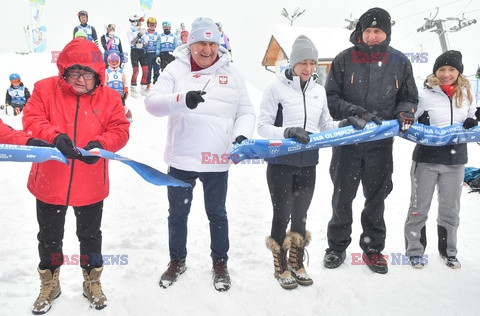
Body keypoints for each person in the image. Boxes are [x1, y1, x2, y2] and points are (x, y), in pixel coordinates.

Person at [144, 17, 255, 292]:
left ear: (219, 45)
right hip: (182, 158)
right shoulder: (174, 69)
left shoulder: (233, 73)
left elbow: (246, 111)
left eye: (212, 43)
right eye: (201, 43)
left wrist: (240, 135)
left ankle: (220, 263)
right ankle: (177, 261)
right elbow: (152, 104)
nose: (207, 49)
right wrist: (181, 100)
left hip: (217, 159)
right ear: (190, 43)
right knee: (177, 215)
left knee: (217, 214)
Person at [22, 38, 130, 313]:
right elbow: (32, 119)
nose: (80, 78)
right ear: (64, 71)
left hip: (90, 182)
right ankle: (50, 283)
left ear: (98, 75)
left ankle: (91, 281)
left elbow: (120, 130)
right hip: (50, 180)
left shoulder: (110, 98)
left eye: (87, 73)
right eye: (74, 71)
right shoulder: (45, 89)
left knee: (90, 236)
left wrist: (102, 144)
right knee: (48, 236)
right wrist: (54, 136)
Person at [258, 35, 364, 289]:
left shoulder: (319, 91)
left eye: (312, 63)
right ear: (293, 63)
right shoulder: (276, 89)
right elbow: (262, 127)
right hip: (281, 162)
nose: (308, 68)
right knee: (282, 213)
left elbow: (325, 125)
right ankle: (280, 263)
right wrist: (287, 131)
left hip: (308, 163)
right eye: (303, 62)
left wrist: (344, 124)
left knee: (301, 216)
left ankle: (296, 261)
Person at [323, 7, 418, 274]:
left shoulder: (399, 62)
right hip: (348, 143)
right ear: (360, 33)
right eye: (368, 30)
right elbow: (331, 99)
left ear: (386, 33)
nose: (373, 36)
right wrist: (353, 111)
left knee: (377, 198)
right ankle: (337, 247)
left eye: (378, 31)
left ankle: (373, 249)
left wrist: (404, 111)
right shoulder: (344, 59)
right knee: (342, 197)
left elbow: (409, 97)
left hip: (380, 145)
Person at [404, 50, 477, 269]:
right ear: (435, 71)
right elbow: (408, 118)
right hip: (426, 160)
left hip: (456, 162)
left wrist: (473, 121)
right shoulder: (425, 94)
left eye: (452, 69)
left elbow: (472, 115)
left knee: (450, 210)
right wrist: (417, 123)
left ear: (459, 72)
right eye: (442, 69)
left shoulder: (466, 94)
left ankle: (449, 252)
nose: (446, 74)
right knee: (419, 208)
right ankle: (415, 251)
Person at [105, 52, 133, 122]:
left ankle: (127, 117)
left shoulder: (121, 71)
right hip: (110, 95)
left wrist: (126, 90)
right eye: (112, 61)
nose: (114, 63)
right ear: (109, 61)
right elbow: (104, 82)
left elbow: (124, 82)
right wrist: (105, 92)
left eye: (116, 61)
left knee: (122, 107)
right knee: (110, 107)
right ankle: (110, 119)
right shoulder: (106, 71)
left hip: (120, 95)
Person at [126, 14, 148, 97]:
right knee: (136, 70)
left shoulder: (142, 30)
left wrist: (143, 44)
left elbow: (146, 42)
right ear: (135, 22)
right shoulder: (130, 30)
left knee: (145, 69)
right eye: (139, 22)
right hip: (134, 51)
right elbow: (131, 42)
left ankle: (143, 87)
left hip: (142, 51)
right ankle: (133, 88)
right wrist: (139, 35)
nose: (140, 23)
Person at [144, 17, 161, 86]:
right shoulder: (145, 33)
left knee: (156, 69)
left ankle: (156, 83)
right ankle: (148, 84)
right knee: (148, 69)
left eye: (153, 25)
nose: (152, 26)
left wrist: (158, 54)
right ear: (148, 24)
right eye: (150, 24)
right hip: (148, 54)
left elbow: (159, 44)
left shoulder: (157, 34)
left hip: (155, 54)